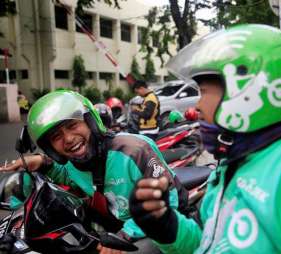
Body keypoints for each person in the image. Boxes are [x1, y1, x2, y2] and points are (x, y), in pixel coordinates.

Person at [128, 24, 281, 253]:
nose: (198, 108)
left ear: (252, 94)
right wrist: (164, 224)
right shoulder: (233, 164)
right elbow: (210, 243)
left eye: (204, 92)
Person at [0, 90, 187, 253]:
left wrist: (125, 234)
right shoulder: (74, 164)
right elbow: (62, 173)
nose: (69, 139)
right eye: (56, 136)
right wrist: (41, 162)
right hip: (119, 223)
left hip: (162, 223)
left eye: (72, 125)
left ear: (90, 121)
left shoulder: (134, 150)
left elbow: (169, 201)